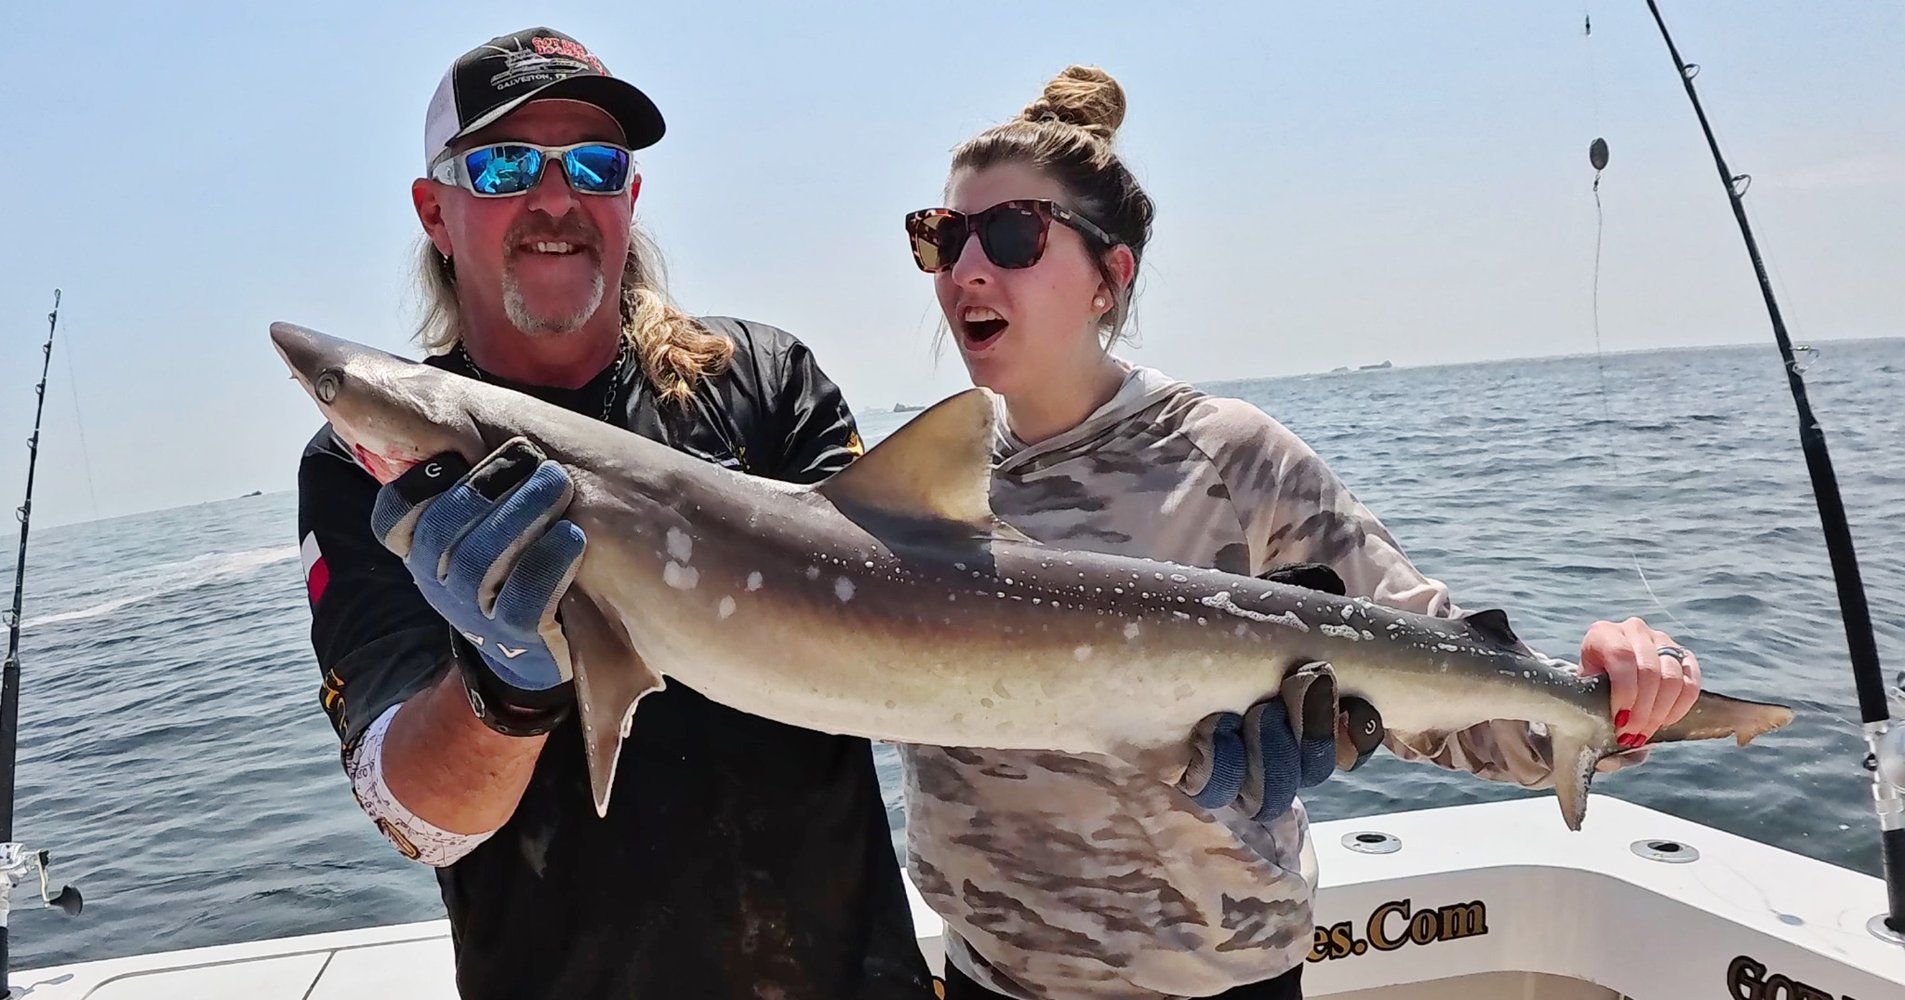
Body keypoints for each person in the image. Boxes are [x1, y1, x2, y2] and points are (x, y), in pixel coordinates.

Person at [896, 65, 1703, 1000]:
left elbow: (1445, 691)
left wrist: (1616, 692)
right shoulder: (930, 485)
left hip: (1211, 980)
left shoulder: (1230, 458)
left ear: (1108, 278)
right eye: (943, 237)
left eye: (1011, 234)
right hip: (982, 975)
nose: (967, 271)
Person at [293, 27, 934, 999]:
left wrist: (1175, 706)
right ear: (435, 210)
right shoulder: (363, 471)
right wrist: (500, 691)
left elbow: (945, 629)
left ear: (628, 196)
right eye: (506, 163)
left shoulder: (764, 379)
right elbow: (411, 813)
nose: (555, 198)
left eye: (592, 163)